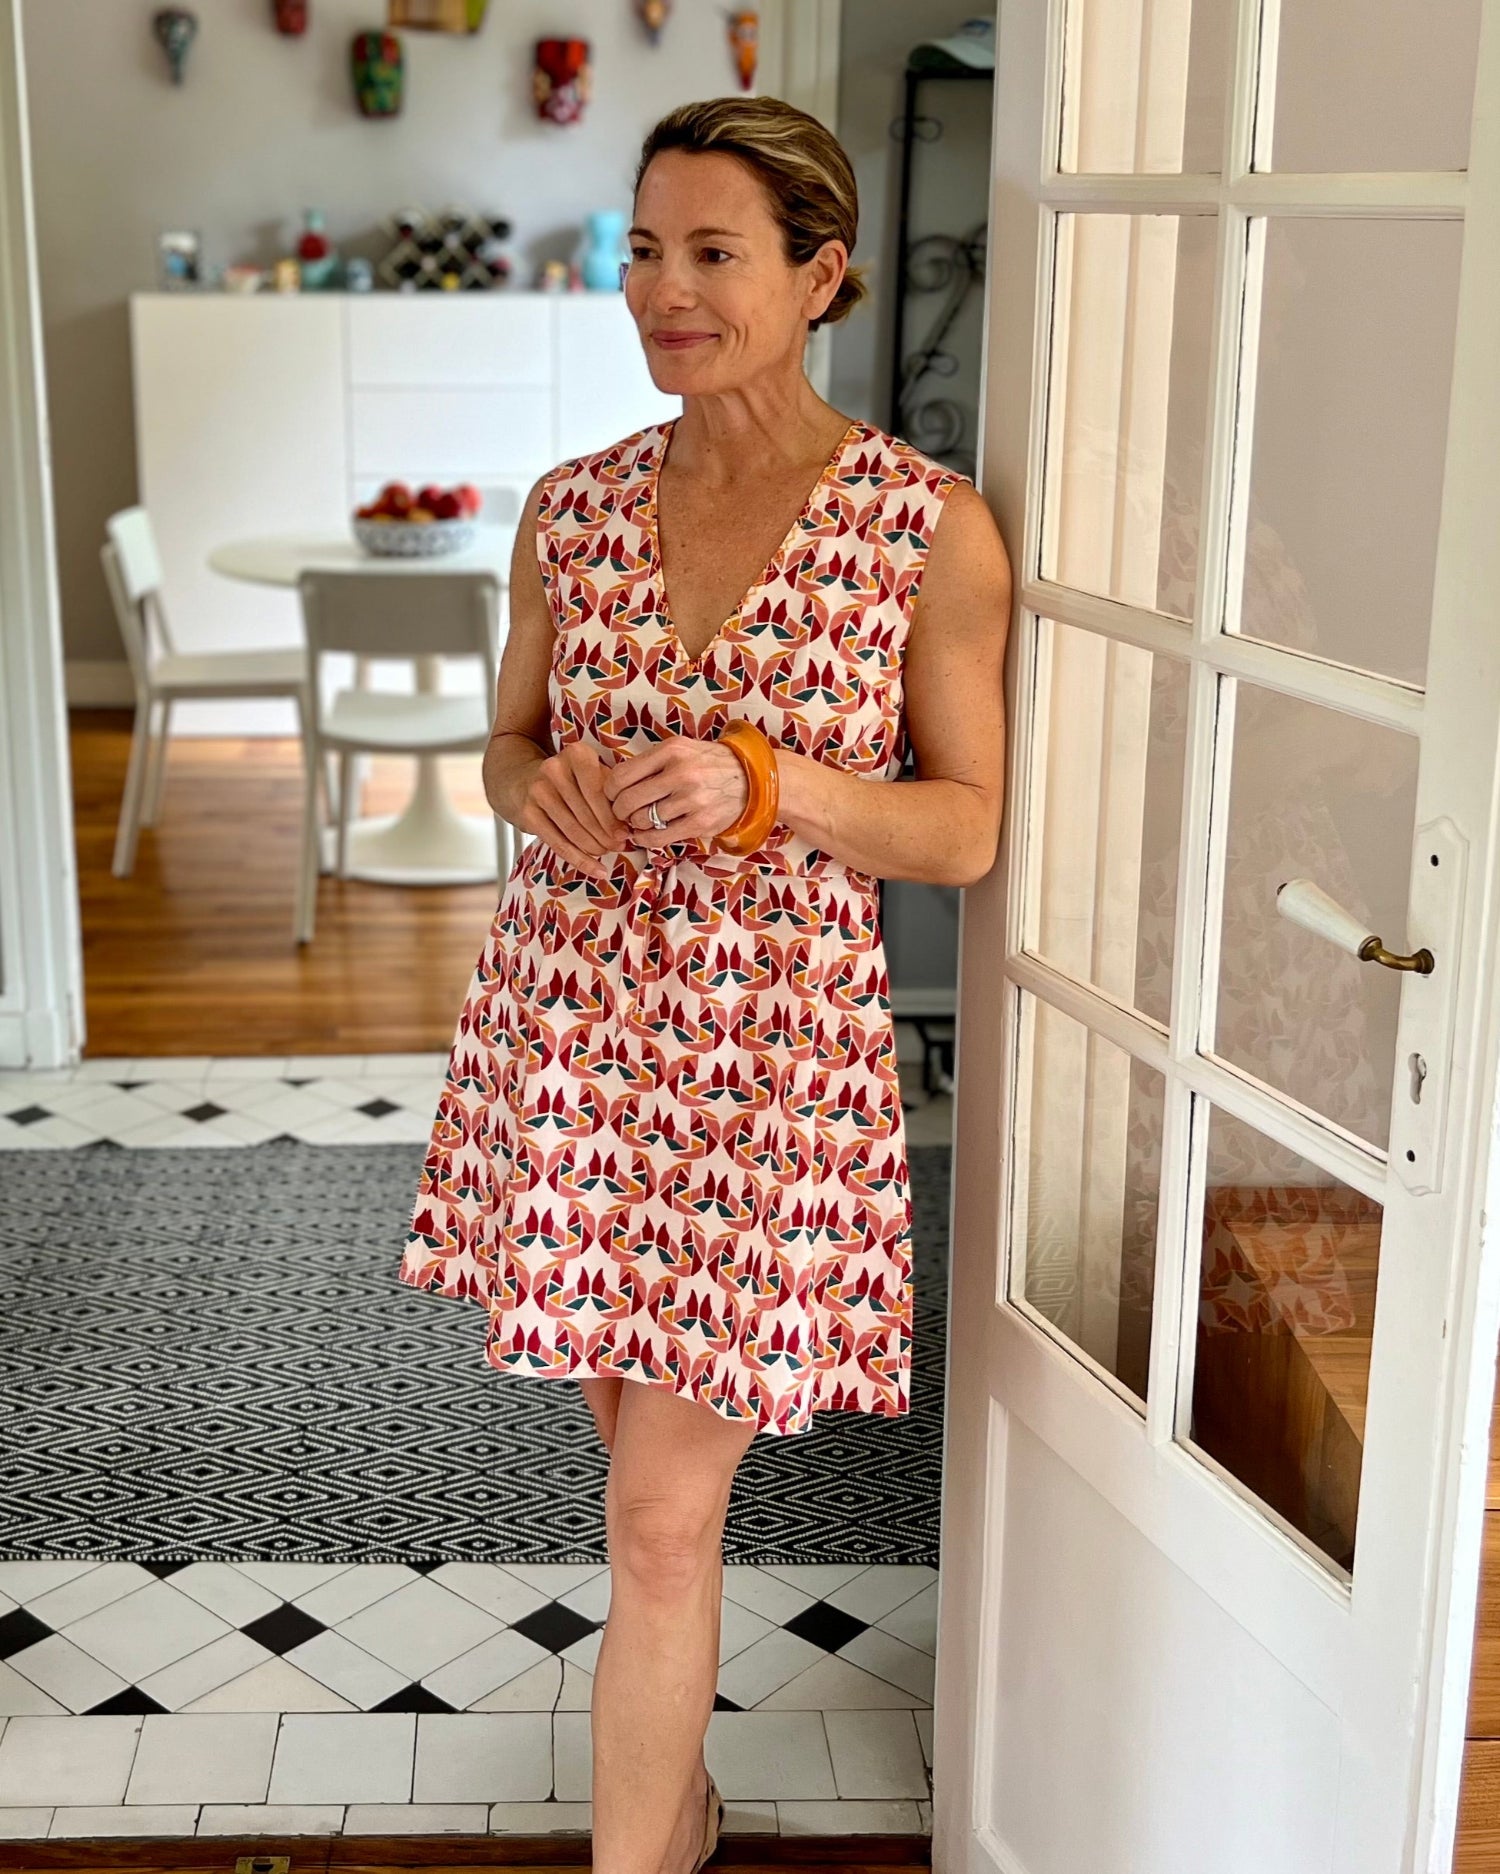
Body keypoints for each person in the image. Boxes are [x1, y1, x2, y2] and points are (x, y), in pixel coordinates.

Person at [398, 93, 1011, 1874]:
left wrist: (776, 785)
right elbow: (507, 751)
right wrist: (550, 789)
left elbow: (964, 830)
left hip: (766, 1079)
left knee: (661, 1520)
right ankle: (685, 1810)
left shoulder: (926, 530)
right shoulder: (571, 511)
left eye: (716, 252)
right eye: (645, 249)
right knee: (640, 1504)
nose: (666, 289)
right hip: (573, 1045)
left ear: (823, 274)